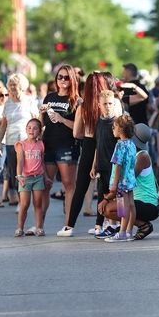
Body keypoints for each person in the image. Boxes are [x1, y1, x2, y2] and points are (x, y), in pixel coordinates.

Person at [59, 72, 108, 237]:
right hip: (105, 146)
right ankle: (99, 225)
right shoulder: (109, 104)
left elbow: (76, 133)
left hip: (88, 144)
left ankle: (69, 226)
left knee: (81, 186)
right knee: (103, 186)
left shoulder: (83, 107)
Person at [101, 123, 159, 240]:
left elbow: (126, 180)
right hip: (134, 200)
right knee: (113, 206)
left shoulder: (142, 156)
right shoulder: (131, 151)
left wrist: (108, 197)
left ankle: (142, 225)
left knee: (108, 209)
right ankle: (123, 227)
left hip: (148, 204)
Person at [39, 65, 80, 223]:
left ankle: (68, 225)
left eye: (66, 77)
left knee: (69, 186)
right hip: (48, 144)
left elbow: (79, 128)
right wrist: (41, 113)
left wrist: (62, 119)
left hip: (67, 145)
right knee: (46, 185)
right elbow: (42, 123)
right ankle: (38, 224)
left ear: (72, 80)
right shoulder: (49, 97)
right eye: (60, 77)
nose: (62, 80)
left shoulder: (77, 100)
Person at [0, 73, 39, 206]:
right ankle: (22, 202)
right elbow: (4, 124)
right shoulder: (8, 103)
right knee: (15, 173)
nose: (12, 87)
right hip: (11, 142)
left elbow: (37, 120)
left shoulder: (29, 101)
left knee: (27, 172)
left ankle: (27, 199)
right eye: (10, 85)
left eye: (14, 84)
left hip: (27, 142)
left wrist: (38, 138)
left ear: (21, 86)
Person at [89, 89, 124, 239]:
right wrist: (93, 165)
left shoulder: (116, 123)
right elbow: (97, 146)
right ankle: (103, 224)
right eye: (105, 104)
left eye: (110, 103)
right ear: (99, 105)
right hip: (102, 165)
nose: (108, 106)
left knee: (117, 196)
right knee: (102, 195)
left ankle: (119, 224)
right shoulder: (99, 123)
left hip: (114, 166)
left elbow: (121, 146)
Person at [100, 115, 138, 242]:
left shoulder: (120, 145)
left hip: (121, 181)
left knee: (122, 207)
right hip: (130, 179)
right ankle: (129, 231)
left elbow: (117, 165)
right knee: (131, 205)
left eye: (114, 127)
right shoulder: (132, 144)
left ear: (121, 130)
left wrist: (114, 184)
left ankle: (121, 232)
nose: (113, 129)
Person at [13, 119, 49, 237]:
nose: (31, 130)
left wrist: (46, 176)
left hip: (38, 178)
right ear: (25, 129)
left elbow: (42, 162)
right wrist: (19, 176)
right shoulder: (21, 145)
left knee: (38, 203)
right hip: (25, 178)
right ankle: (19, 228)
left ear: (39, 131)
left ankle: (39, 228)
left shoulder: (41, 144)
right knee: (24, 204)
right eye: (29, 127)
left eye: (35, 128)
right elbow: (20, 161)